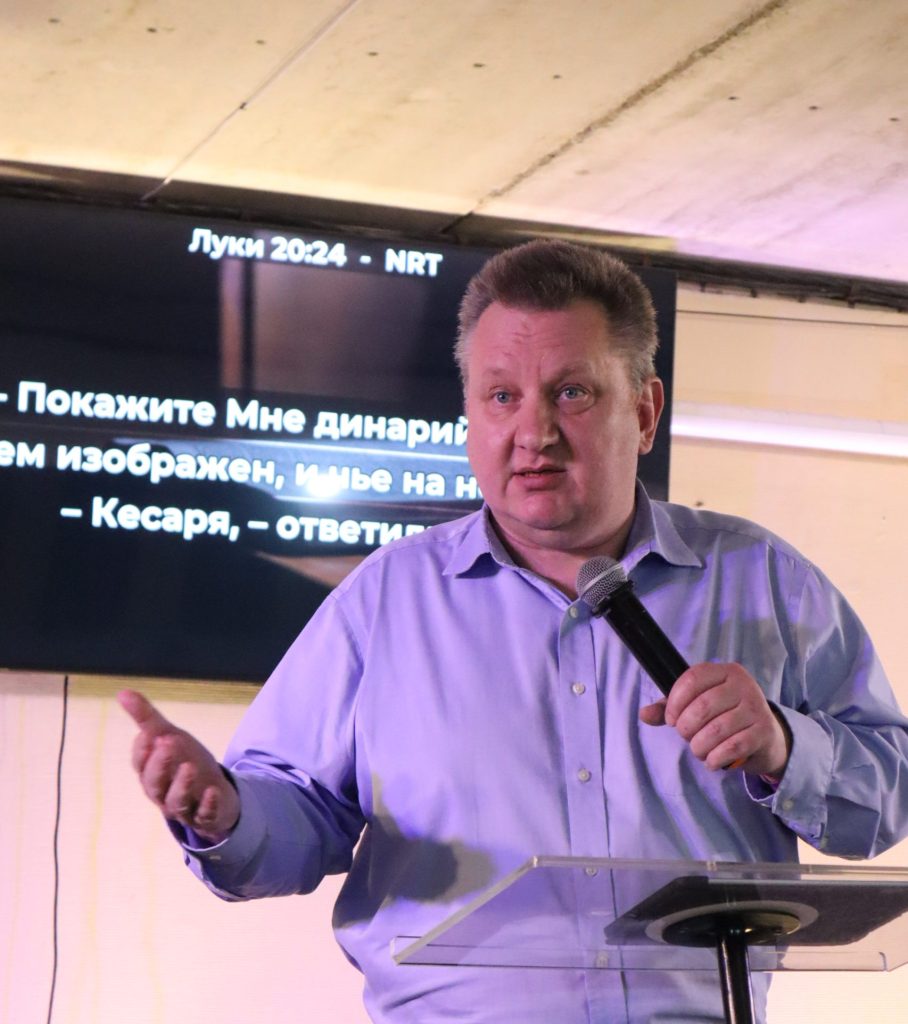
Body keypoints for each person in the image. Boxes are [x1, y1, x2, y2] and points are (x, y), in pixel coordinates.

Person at [121, 239, 908, 1023]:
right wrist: (226, 813)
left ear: (644, 412)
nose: (534, 432)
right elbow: (298, 816)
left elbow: (890, 794)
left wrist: (784, 747)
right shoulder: (385, 602)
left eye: (572, 393)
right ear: (470, 414)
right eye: (501, 397)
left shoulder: (763, 581)